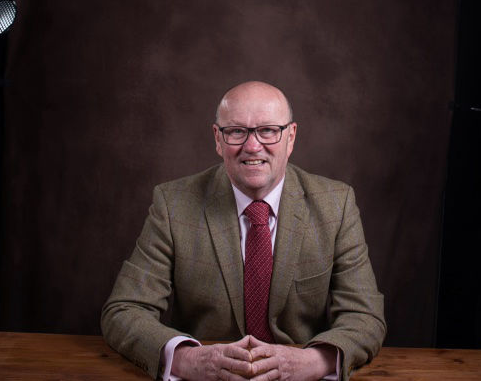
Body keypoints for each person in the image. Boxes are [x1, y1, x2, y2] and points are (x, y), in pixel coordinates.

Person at [101, 81, 385, 381]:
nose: (252, 146)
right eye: (237, 131)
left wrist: (313, 362)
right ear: (218, 139)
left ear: (290, 137)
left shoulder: (336, 205)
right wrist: (186, 360)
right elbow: (123, 310)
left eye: (268, 130)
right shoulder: (173, 205)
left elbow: (364, 316)